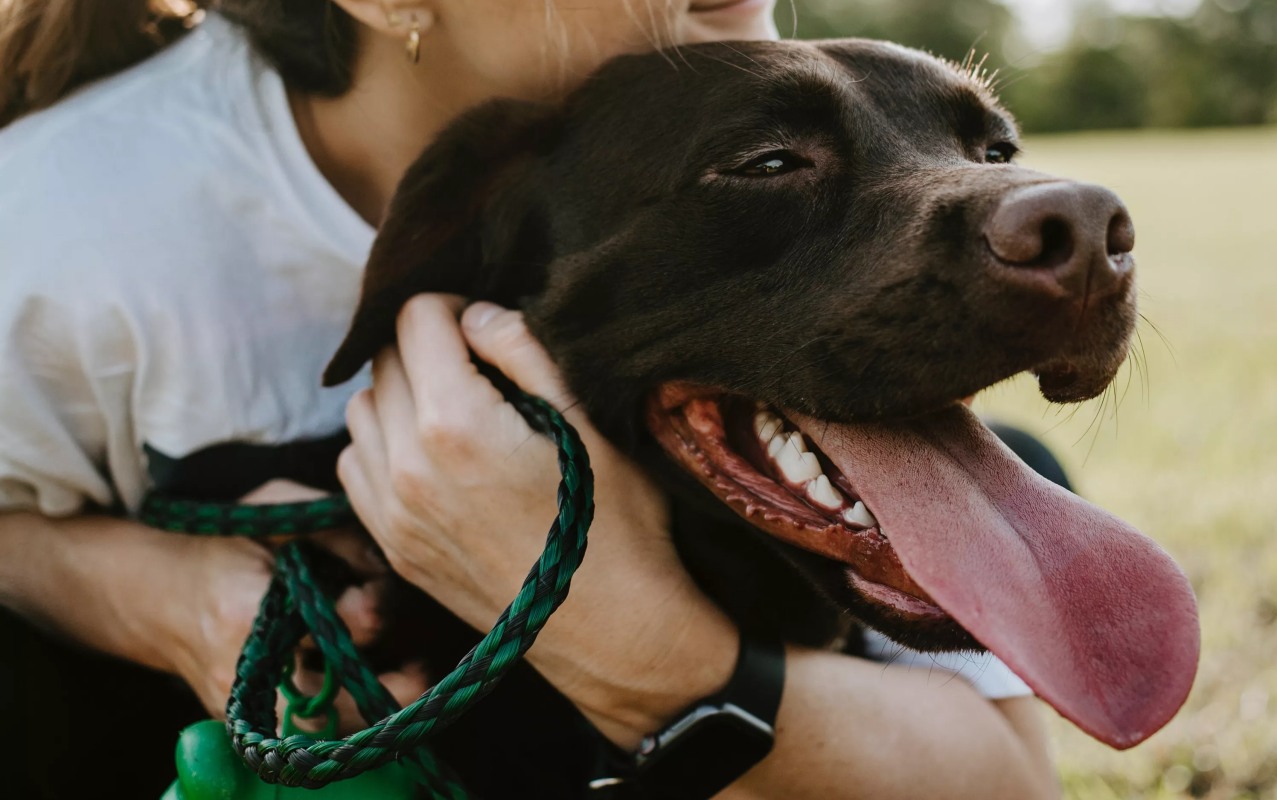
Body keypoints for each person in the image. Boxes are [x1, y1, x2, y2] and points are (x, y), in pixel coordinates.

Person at [0, 1, 1059, 797]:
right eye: (771, 160)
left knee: (1016, 465)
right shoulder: (64, 230)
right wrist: (175, 597)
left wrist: (631, 635)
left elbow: (1005, 780)